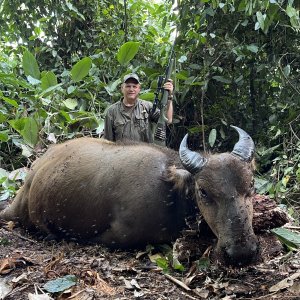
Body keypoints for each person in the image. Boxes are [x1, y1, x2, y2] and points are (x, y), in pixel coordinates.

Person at [103, 73, 174, 143]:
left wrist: (169, 97)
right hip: (122, 153)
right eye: (128, 86)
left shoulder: (147, 107)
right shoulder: (112, 111)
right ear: (122, 88)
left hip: (144, 153)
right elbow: (108, 141)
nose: (131, 89)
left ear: (139, 89)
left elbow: (167, 121)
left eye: (134, 86)